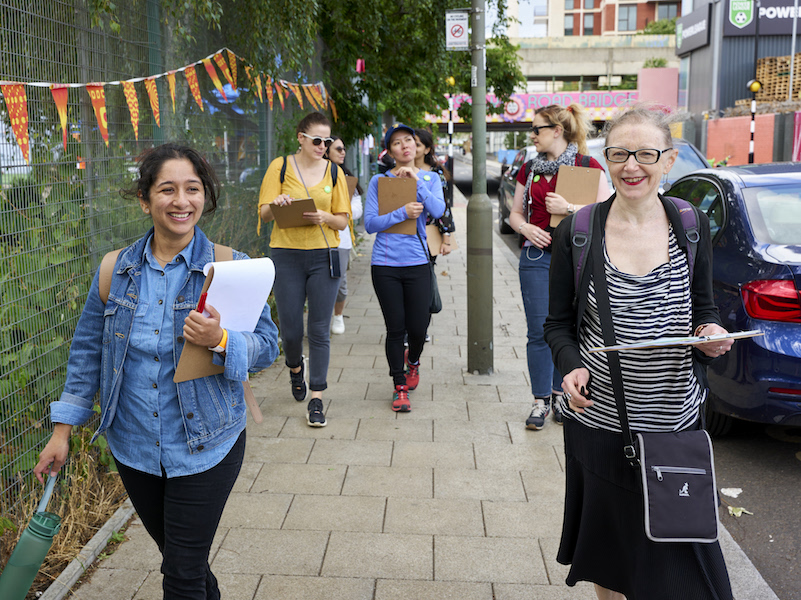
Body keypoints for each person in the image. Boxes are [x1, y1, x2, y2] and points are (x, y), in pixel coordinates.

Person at [34, 143, 280, 600]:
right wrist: (62, 431)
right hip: (134, 447)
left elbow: (268, 347)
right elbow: (87, 352)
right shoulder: (115, 270)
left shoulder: (230, 268)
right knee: (184, 562)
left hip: (207, 443)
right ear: (146, 200)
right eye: (167, 189)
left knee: (180, 575)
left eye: (192, 189)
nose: (181, 201)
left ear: (205, 196)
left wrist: (222, 340)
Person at [543, 104, 734, 600]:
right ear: (605, 159)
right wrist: (570, 368)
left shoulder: (690, 225)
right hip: (603, 429)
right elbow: (558, 325)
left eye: (645, 153)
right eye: (620, 153)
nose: (632, 165)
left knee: (682, 566)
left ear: (668, 160)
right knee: (611, 562)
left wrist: (710, 333)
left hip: (675, 428)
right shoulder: (578, 232)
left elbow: (704, 307)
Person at [508, 103, 610, 431]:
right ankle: (540, 401)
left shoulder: (586, 165)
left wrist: (568, 207)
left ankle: (560, 396)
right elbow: (514, 214)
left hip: (576, 259)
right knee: (538, 331)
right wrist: (526, 228)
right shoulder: (530, 167)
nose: (532, 135)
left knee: (567, 332)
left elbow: (608, 211)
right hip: (536, 258)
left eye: (537, 129)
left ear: (557, 131)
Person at [257, 112, 351, 427]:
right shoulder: (280, 167)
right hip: (286, 255)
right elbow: (264, 213)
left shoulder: (335, 173)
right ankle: (295, 367)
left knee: (319, 330)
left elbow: (342, 219)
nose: (323, 146)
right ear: (301, 137)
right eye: (316, 140)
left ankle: (317, 397)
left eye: (327, 141)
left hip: (324, 254)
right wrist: (279, 203)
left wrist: (323, 217)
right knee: (292, 331)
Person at [364, 124, 445, 412]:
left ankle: (413, 361)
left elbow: (439, 211)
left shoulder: (431, 178)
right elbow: (370, 224)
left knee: (418, 327)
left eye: (408, 141)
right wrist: (402, 212)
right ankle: (399, 386)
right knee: (395, 328)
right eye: (396, 143)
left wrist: (417, 184)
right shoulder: (379, 181)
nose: (404, 146)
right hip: (385, 265)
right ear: (390, 151)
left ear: (416, 145)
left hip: (419, 263)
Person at [325, 136, 363, 335]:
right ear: (326, 151)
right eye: (337, 148)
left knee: (339, 282)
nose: (342, 152)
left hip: (341, 239)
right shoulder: (315, 175)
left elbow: (357, 210)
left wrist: (339, 207)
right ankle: (320, 321)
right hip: (316, 237)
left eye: (343, 148)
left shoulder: (347, 178)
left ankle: (338, 316)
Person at [414, 128, 454, 263]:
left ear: (427, 149)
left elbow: (444, 208)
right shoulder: (399, 171)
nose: (412, 147)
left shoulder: (435, 174)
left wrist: (446, 239)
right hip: (403, 233)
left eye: (417, 144)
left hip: (428, 232)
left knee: (427, 275)